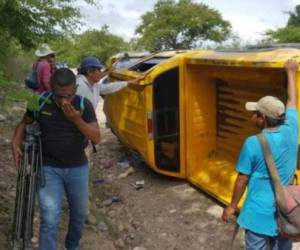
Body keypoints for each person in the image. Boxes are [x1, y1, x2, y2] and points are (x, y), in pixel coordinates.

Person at [12, 68, 100, 250]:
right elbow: (24, 122)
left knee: (79, 215)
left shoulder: (84, 105)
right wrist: (15, 141)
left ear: (75, 89)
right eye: (59, 95)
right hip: (48, 168)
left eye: (68, 95)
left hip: (78, 168)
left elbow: (97, 137)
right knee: (50, 217)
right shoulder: (39, 101)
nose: (63, 101)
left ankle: (72, 245)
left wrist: (76, 120)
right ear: (51, 88)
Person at [222, 59, 299, 250]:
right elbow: (292, 101)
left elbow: (242, 179)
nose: (252, 115)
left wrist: (232, 206)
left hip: (258, 215)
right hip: (286, 212)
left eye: (255, 112)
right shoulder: (292, 129)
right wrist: (291, 73)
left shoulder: (253, 143)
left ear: (262, 119)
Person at [76, 56, 141, 110]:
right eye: (99, 70)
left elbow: (109, 87)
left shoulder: (93, 85)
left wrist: (128, 82)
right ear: (89, 72)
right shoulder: (81, 87)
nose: (101, 73)